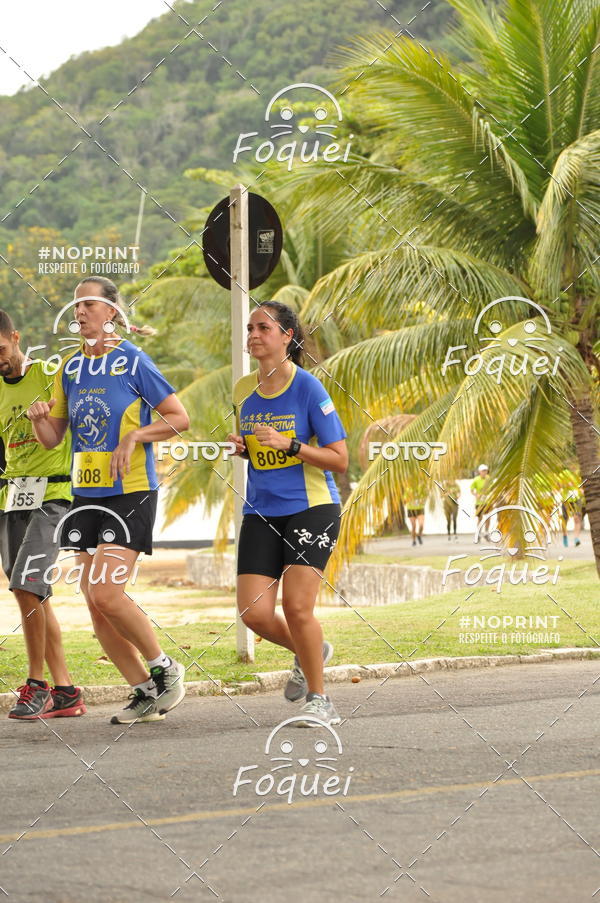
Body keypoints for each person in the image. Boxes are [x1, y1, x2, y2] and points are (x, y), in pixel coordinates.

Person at [27, 277, 190, 725]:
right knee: (93, 600)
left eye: (89, 303)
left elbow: (180, 418)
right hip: (86, 495)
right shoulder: (70, 368)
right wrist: (41, 418)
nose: (80, 311)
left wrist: (137, 434)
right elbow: (52, 438)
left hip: (131, 492)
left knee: (107, 592)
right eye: (75, 304)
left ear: (112, 313)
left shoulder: (132, 361)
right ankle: (142, 690)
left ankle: (166, 669)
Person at [228, 300, 348, 727]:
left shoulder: (308, 388)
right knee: (254, 614)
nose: (253, 335)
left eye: (263, 328)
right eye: (250, 328)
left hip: (311, 508)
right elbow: (260, 454)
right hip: (261, 510)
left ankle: (320, 700)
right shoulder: (244, 389)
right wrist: (244, 449)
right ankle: (309, 650)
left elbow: (339, 459)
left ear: (287, 337)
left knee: (298, 608)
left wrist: (291, 444)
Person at [0, 310, 85, 720]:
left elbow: (70, 423)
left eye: (0, 348)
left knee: (26, 585)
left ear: (15, 337)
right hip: (13, 497)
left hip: (53, 493)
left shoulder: (50, 374)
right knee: (32, 592)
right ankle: (67, 691)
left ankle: (37, 685)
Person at [558, 468, 586, 547]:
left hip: (576, 499)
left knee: (577, 518)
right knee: (565, 519)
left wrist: (581, 490)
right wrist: (566, 484)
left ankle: (576, 538)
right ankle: (565, 536)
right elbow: (558, 485)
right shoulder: (563, 474)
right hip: (566, 500)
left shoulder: (578, 473)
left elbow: (581, 484)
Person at [471, 464, 490, 540]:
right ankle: (478, 533)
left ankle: (486, 533)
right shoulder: (476, 480)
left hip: (487, 502)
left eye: (486, 471)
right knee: (480, 518)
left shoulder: (489, 479)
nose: (484, 472)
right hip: (479, 503)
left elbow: (492, 487)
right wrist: (476, 495)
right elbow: (471, 490)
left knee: (488, 517)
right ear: (479, 471)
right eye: (483, 471)